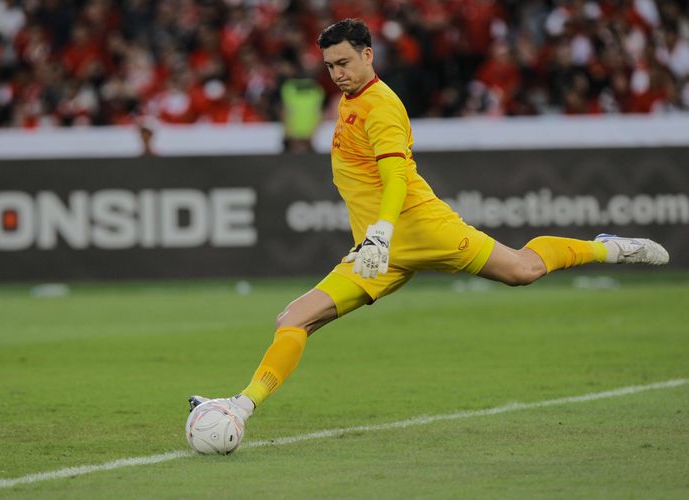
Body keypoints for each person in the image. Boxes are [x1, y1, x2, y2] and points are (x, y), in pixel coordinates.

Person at [188, 19, 669, 427]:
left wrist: (381, 231)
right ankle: (240, 408)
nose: (336, 74)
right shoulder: (350, 100)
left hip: (420, 229)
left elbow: (395, 176)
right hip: (379, 253)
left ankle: (606, 248)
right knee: (292, 319)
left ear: (368, 55)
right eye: (330, 65)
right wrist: (375, 239)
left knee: (523, 271)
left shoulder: (381, 107)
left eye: (344, 63)